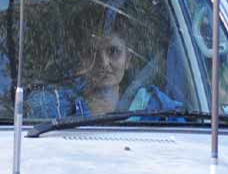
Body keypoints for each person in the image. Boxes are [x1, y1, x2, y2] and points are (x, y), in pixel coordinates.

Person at [31, 25, 183, 119]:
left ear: (128, 60)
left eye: (113, 51)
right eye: (92, 53)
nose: (103, 63)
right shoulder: (57, 106)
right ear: (82, 60)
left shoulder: (154, 107)